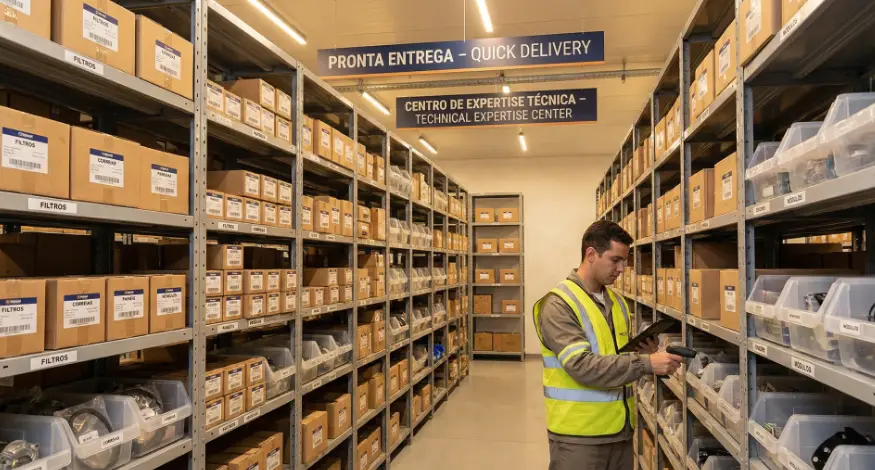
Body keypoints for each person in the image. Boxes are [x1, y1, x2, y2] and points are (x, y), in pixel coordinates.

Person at [533, 220, 682, 470]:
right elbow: (581, 366)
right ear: (591, 254)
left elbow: (613, 355)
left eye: (624, 261)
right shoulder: (559, 304)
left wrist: (644, 352)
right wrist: (646, 363)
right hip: (579, 436)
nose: (622, 269)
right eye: (615, 260)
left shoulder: (617, 302)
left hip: (620, 429)